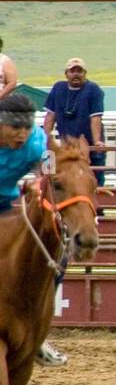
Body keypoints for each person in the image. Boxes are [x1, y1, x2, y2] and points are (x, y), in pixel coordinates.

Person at [0, 94, 70, 366]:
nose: (22, 134)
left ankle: (35, 334)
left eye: (27, 127)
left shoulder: (37, 142)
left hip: (7, 204)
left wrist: (38, 183)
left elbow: (50, 172)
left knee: (53, 256)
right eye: (15, 127)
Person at [43, 58, 106, 186]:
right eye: (72, 71)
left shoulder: (93, 89)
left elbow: (96, 118)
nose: (76, 74)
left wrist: (97, 141)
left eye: (79, 71)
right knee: (56, 174)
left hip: (89, 145)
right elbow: (50, 116)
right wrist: (45, 138)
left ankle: (97, 203)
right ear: (66, 74)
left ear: (85, 73)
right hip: (67, 145)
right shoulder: (58, 88)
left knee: (94, 180)